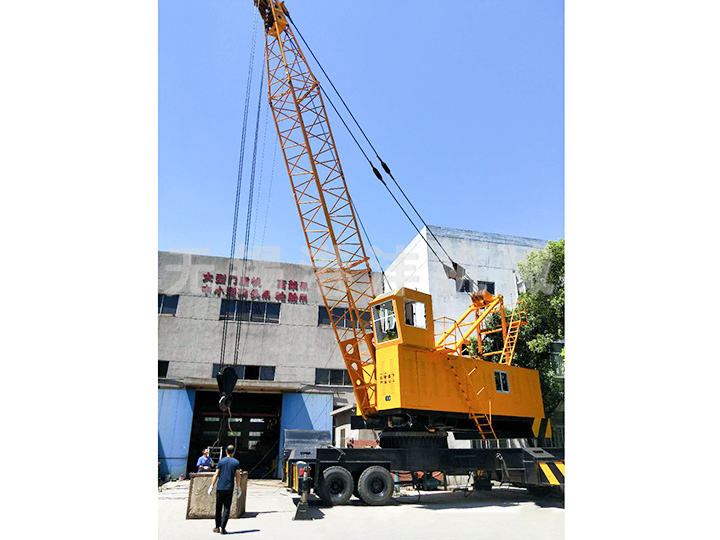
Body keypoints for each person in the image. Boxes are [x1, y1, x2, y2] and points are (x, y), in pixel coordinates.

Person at [207, 445, 243, 535]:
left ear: (226, 451)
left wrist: (211, 486)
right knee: (227, 508)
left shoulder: (221, 461)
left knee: (218, 508)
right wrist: (238, 487)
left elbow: (216, 474)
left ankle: (217, 527)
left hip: (220, 487)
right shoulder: (236, 462)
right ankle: (223, 528)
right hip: (229, 488)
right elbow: (238, 476)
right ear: (233, 452)